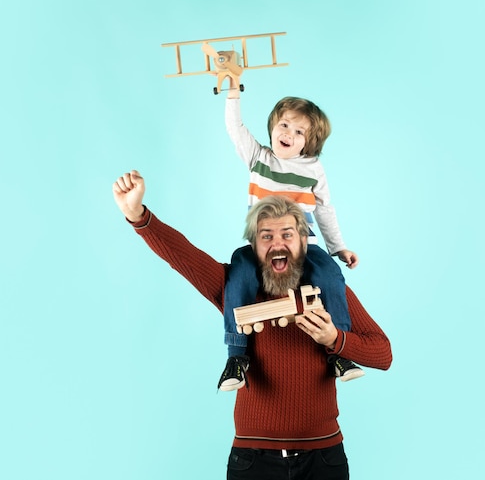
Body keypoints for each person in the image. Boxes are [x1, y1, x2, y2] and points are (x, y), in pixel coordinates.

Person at [112, 170, 393, 480]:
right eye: (266, 236)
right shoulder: (235, 289)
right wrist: (138, 216)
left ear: (304, 240)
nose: (277, 244)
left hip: (323, 458)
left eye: (287, 234)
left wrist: (335, 338)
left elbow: (383, 354)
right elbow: (184, 257)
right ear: (253, 245)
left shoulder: (330, 290)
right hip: (254, 460)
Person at [219, 78, 362, 391]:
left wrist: (339, 248)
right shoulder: (259, 157)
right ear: (272, 126)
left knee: (330, 276)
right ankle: (237, 355)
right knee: (239, 272)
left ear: (308, 143)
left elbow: (324, 209)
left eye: (300, 132)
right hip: (260, 248)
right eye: (284, 125)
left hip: (303, 249)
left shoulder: (313, 169)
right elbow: (235, 127)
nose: (288, 134)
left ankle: (338, 352)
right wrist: (233, 90)